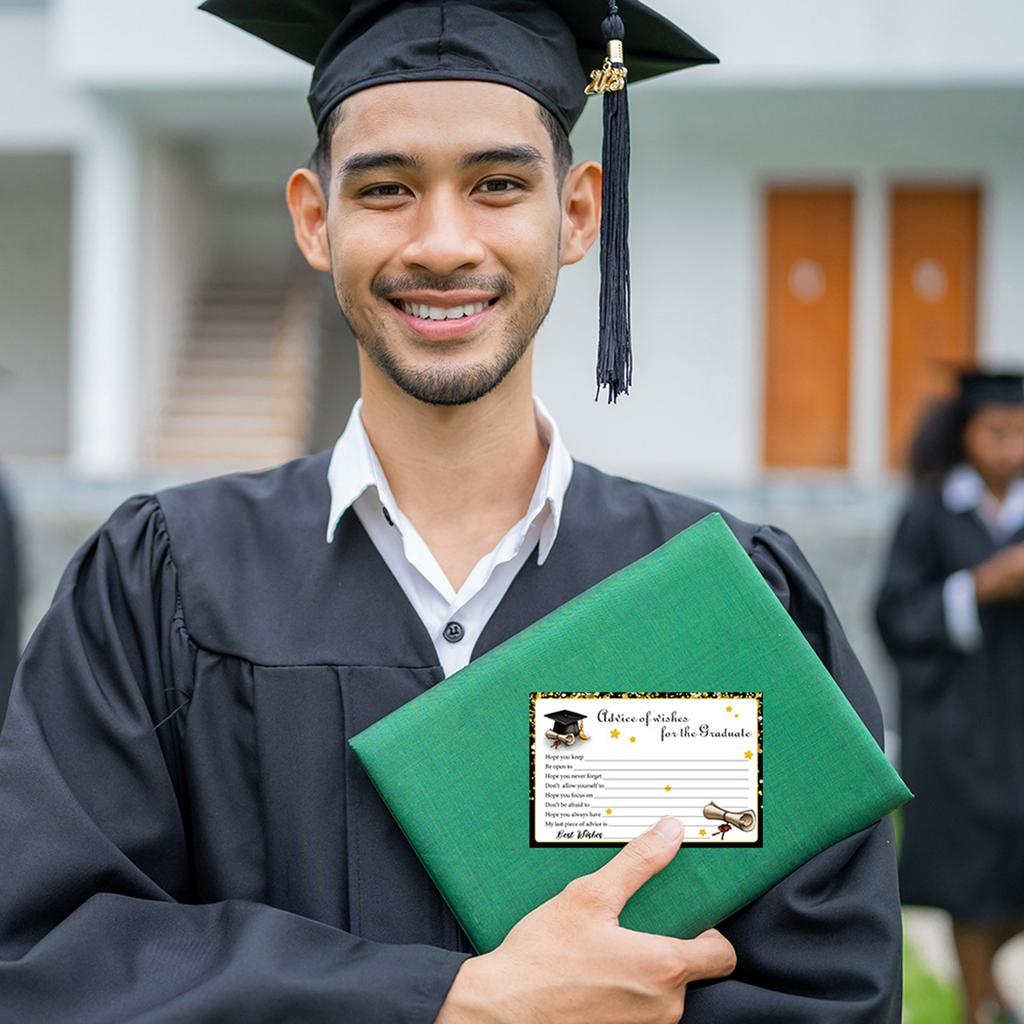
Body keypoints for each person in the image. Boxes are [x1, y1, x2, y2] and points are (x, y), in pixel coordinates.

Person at [0, 1, 901, 1020]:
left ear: (574, 213)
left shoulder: (725, 602)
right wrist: (453, 1001)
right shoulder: (160, 583)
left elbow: (832, 991)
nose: (441, 242)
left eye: (497, 185)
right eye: (386, 189)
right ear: (312, 217)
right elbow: (51, 954)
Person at [875, 369, 1024, 1024]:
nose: (1011, 449)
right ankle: (978, 1004)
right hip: (958, 733)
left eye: (1023, 434)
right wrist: (983, 584)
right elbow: (895, 613)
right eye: (996, 432)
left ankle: (993, 990)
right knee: (971, 884)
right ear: (963, 434)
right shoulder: (930, 511)